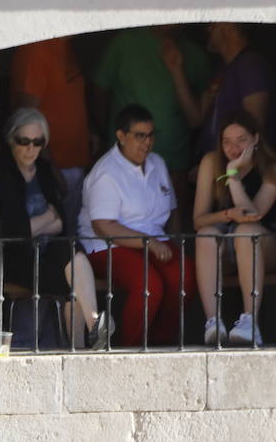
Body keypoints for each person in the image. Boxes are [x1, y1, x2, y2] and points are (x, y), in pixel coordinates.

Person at [79, 104, 198, 348]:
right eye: (140, 136)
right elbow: (103, 226)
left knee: (183, 274)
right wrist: (149, 243)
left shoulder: (157, 163)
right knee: (148, 284)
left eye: (151, 135)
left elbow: (173, 209)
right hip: (106, 246)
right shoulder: (106, 172)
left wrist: (173, 243)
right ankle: (130, 347)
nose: (147, 142)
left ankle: (160, 343)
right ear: (121, 136)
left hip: (155, 240)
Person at [0, 108, 112, 349]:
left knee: (70, 248)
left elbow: (61, 223)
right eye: (24, 141)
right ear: (11, 139)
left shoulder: (45, 172)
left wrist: (38, 225)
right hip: (15, 259)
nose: (31, 149)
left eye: (38, 142)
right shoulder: (3, 175)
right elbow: (13, 233)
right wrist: (46, 219)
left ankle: (92, 325)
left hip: (47, 253)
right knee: (74, 282)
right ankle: (84, 340)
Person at [191, 111, 276, 346]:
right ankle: (213, 322)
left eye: (241, 140)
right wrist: (227, 215)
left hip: (263, 244)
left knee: (246, 232)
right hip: (224, 244)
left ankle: (249, 321)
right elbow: (198, 220)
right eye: (227, 141)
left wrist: (232, 175)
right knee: (205, 235)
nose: (233, 148)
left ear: (255, 139)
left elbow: (253, 214)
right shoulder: (211, 162)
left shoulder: (274, 168)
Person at [95, 26, 210, 208]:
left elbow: (198, 118)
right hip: (126, 159)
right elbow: (100, 90)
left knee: (171, 213)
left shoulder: (193, 53)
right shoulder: (125, 41)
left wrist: (177, 69)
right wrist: (99, 132)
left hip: (174, 158)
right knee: (126, 214)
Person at [10, 36, 94, 222]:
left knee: (71, 238)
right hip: (53, 169)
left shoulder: (67, 44)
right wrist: (50, 169)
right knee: (55, 237)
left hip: (76, 163)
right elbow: (27, 117)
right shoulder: (36, 49)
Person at [191, 23, 274, 158]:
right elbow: (197, 119)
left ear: (228, 27)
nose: (208, 29)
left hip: (239, 168)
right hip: (216, 164)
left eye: (213, 24)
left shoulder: (250, 64)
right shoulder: (222, 69)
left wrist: (232, 168)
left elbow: (254, 125)